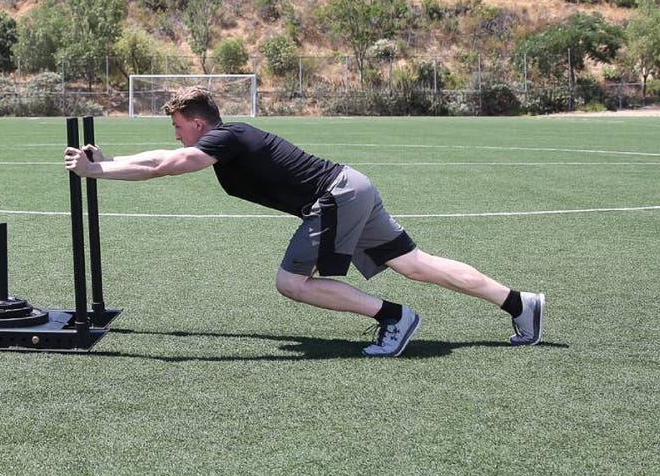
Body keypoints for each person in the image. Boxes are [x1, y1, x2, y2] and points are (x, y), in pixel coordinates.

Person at [63, 86, 543, 357]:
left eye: (179, 127)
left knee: (291, 282)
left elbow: (163, 165)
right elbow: (158, 156)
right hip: (351, 185)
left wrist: (97, 171)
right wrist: (110, 161)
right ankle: (520, 303)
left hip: (334, 196)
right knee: (415, 263)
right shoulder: (226, 139)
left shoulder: (226, 138)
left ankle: (395, 319)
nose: (176, 135)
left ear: (199, 125)